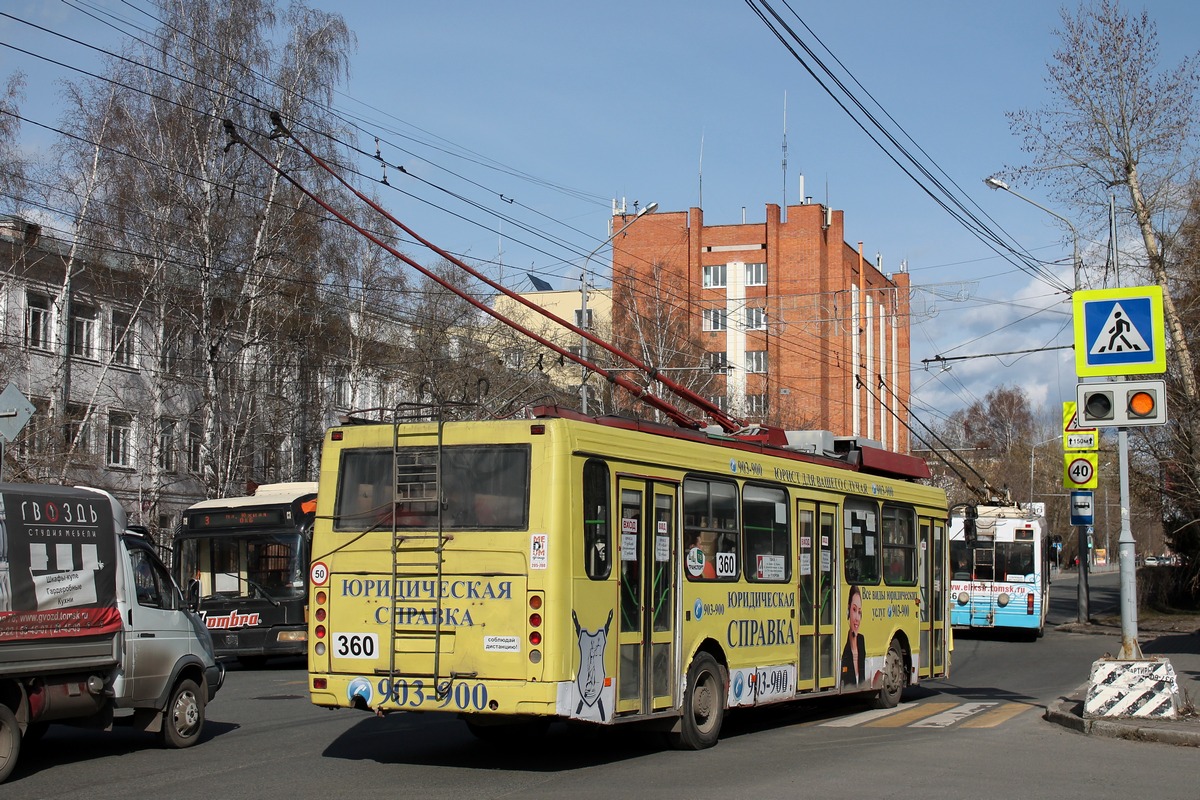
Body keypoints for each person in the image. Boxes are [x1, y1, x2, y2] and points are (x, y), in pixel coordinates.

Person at [841, 585, 865, 686]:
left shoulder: (861, 640)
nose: (857, 618)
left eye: (859, 612)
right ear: (848, 610)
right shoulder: (844, 652)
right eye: (854, 610)